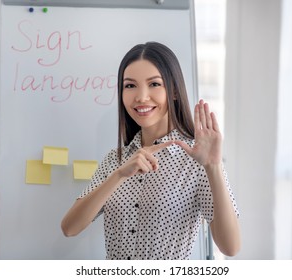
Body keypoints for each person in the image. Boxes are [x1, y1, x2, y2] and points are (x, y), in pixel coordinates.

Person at [61, 41, 240, 260]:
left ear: (174, 91)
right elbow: (69, 228)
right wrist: (118, 175)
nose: (141, 97)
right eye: (130, 86)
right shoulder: (115, 160)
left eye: (154, 84)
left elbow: (230, 247)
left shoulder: (197, 160)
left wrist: (213, 167)